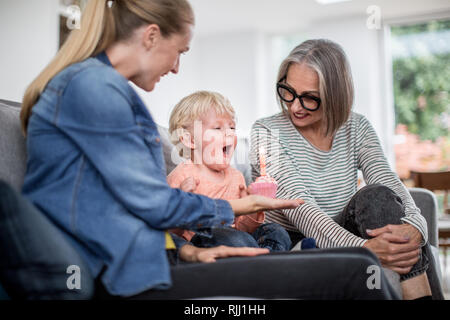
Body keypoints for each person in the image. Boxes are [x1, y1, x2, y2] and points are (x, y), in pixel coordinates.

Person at [10, 0, 398, 300]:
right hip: (123, 277)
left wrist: (186, 251)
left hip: (146, 265)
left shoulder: (99, 88)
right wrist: (233, 208)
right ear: (150, 36)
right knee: (356, 270)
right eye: (179, 51)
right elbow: (151, 202)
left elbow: (124, 206)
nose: (177, 67)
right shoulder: (91, 89)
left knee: (352, 267)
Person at [250, 39, 444, 300]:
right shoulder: (265, 131)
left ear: (334, 95)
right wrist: (364, 247)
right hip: (299, 237)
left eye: (309, 98)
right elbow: (300, 207)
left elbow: (387, 180)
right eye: (288, 91)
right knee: (390, 221)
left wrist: (416, 227)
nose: (295, 106)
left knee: (376, 195)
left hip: (346, 226)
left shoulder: (357, 126)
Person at [167, 90, 293, 251]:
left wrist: (255, 208)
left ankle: (268, 261)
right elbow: (169, 234)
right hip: (201, 243)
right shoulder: (181, 176)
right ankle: (264, 260)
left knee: (275, 230)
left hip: (238, 239)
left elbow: (244, 229)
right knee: (226, 235)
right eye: (217, 128)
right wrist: (182, 202)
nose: (229, 133)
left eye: (232, 127)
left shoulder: (236, 177)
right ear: (189, 140)